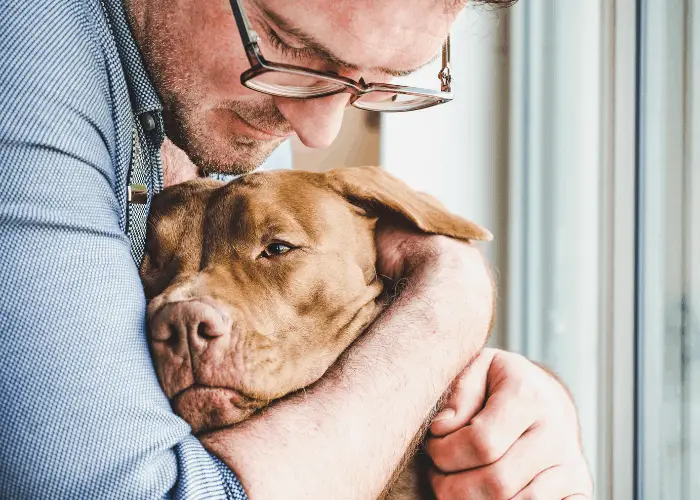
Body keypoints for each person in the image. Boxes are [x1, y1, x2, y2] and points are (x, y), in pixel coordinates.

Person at [0, 0, 593, 498]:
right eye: (285, 43)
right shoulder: (29, 58)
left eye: (378, 80)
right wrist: (448, 305)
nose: (319, 130)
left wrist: (515, 420)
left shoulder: (236, 118)